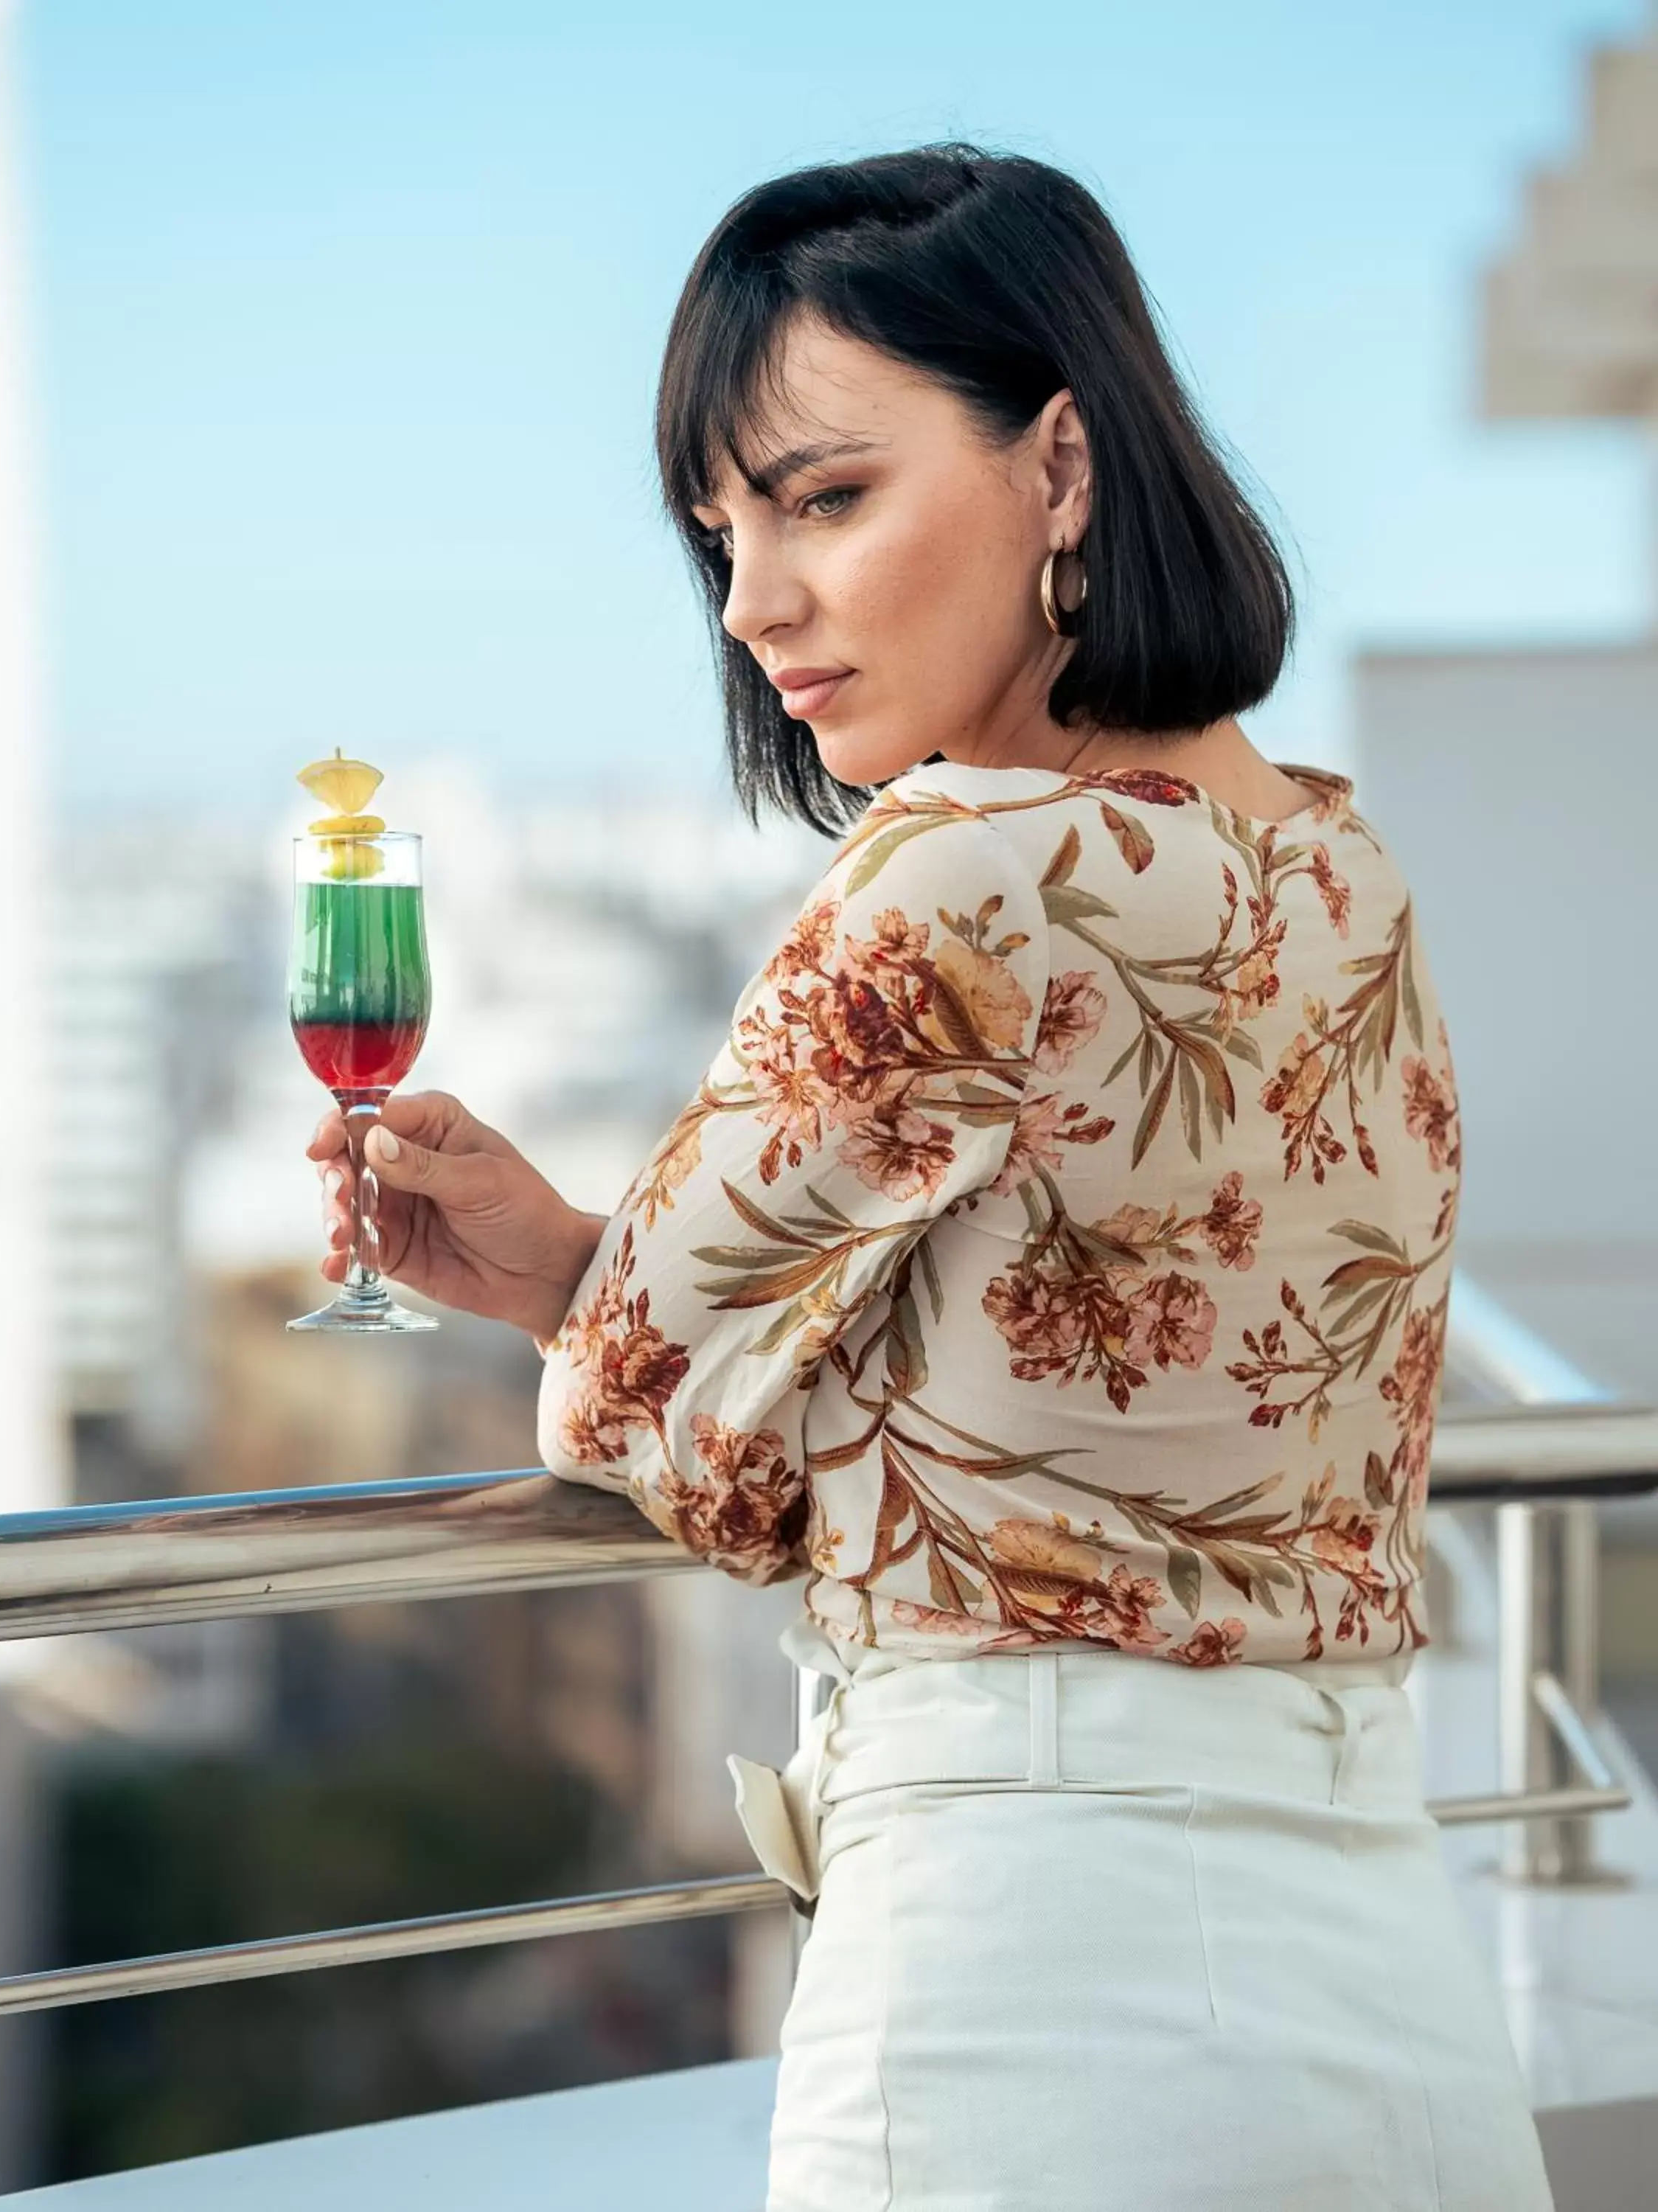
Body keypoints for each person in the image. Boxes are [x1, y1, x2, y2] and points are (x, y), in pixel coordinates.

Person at [310, 145, 1553, 2211]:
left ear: (1061, 469)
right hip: (1386, 1968)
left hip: (1035, 1977)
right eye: (720, 528)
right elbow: (1115, 1378)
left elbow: (644, 1428)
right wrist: (584, 1266)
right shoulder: (1336, 864)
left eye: (822, 495)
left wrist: (591, 1316)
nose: (752, 599)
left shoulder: (952, 871)